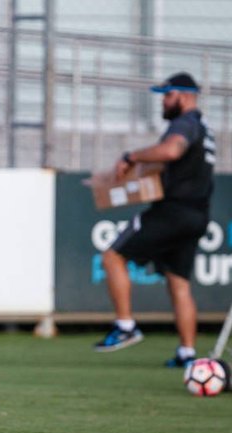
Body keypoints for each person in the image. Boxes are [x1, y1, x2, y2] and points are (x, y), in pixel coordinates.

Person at [94, 72, 216, 367]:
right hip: (198, 214)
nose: (163, 101)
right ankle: (187, 354)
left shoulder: (185, 123)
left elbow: (173, 150)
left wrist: (132, 156)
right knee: (179, 282)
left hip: (173, 211)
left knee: (112, 257)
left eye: (167, 95)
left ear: (184, 96)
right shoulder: (203, 127)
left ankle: (125, 327)